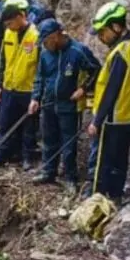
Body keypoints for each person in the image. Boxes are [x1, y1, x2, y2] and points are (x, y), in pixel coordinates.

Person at [29, 18, 101, 189]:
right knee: (49, 139)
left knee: (68, 142)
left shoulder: (77, 50)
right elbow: (40, 77)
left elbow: (96, 69)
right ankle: (49, 171)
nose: (44, 45)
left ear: (55, 36)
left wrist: (83, 88)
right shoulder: (45, 53)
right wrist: (35, 98)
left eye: (46, 41)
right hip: (48, 103)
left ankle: (70, 177)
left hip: (69, 105)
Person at [86, 1, 130, 201]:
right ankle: (116, 196)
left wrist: (97, 121)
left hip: (112, 116)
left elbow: (111, 90)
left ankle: (97, 199)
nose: (101, 37)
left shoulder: (120, 53)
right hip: (128, 114)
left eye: (103, 32)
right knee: (120, 160)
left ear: (117, 27)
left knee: (103, 162)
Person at [0, 0, 41, 170]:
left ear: (20, 17)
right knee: (5, 124)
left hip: (27, 89)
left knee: (28, 127)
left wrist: (37, 95)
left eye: (10, 23)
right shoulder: (8, 34)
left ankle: (27, 158)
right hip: (9, 87)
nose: (9, 27)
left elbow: (40, 67)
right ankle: (0, 156)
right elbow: (3, 61)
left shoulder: (36, 36)